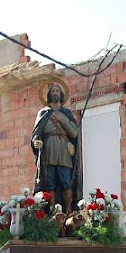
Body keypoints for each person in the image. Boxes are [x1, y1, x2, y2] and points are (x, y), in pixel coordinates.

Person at [31, 81, 80, 213]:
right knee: (50, 182)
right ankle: (53, 212)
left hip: (64, 151)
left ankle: (68, 211)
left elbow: (74, 133)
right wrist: (36, 141)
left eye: (57, 91)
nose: (55, 93)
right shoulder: (43, 113)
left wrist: (62, 119)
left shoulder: (66, 113)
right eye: (53, 91)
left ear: (61, 94)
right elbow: (36, 133)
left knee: (66, 181)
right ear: (48, 95)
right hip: (49, 151)